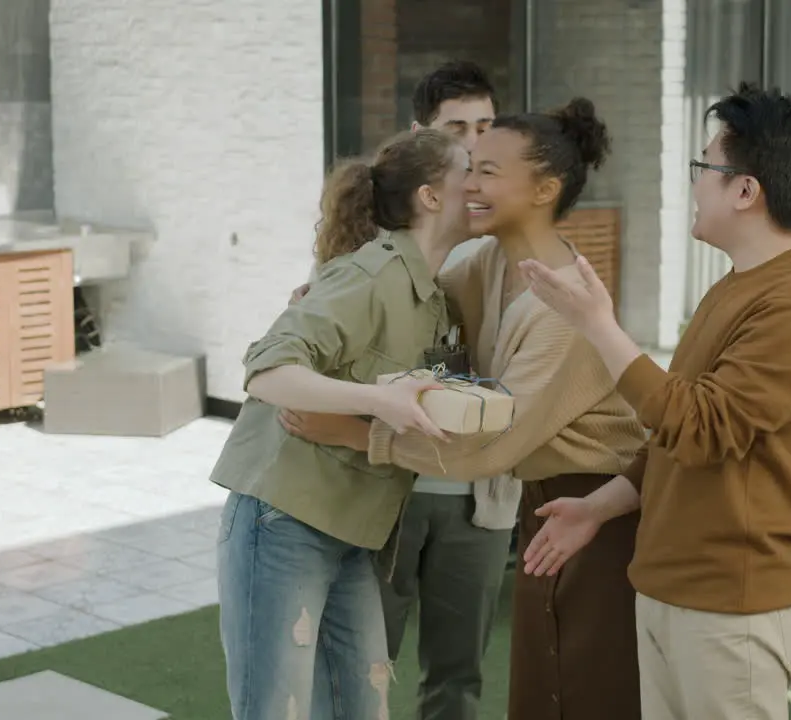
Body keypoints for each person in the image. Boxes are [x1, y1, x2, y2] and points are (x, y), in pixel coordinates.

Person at [282, 98, 647, 720]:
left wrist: (350, 431)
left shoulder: (563, 305)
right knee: (542, 687)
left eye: (487, 171)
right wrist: (330, 299)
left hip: (599, 511)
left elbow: (490, 446)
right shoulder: (488, 263)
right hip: (544, 500)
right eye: (468, 168)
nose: (467, 184)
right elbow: (405, 302)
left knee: (587, 692)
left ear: (544, 189)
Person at [519, 83, 791, 720]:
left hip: (732, 608)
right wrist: (598, 507)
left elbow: (700, 426)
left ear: (745, 190)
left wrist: (599, 326)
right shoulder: (739, 285)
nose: (694, 182)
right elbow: (676, 433)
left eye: (704, 167)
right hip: (672, 592)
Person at [210, 127, 472, 720]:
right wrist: (379, 401)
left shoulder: (432, 298)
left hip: (354, 535)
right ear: (431, 196)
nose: (479, 184)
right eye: (469, 170)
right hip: (283, 523)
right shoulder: (372, 275)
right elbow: (266, 370)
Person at [285, 60, 514, 720]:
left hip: (477, 499)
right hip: (385, 489)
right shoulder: (372, 250)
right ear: (424, 138)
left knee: (458, 678)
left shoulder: (504, 238)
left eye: (486, 127)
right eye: (457, 129)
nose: (474, 143)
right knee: (363, 670)